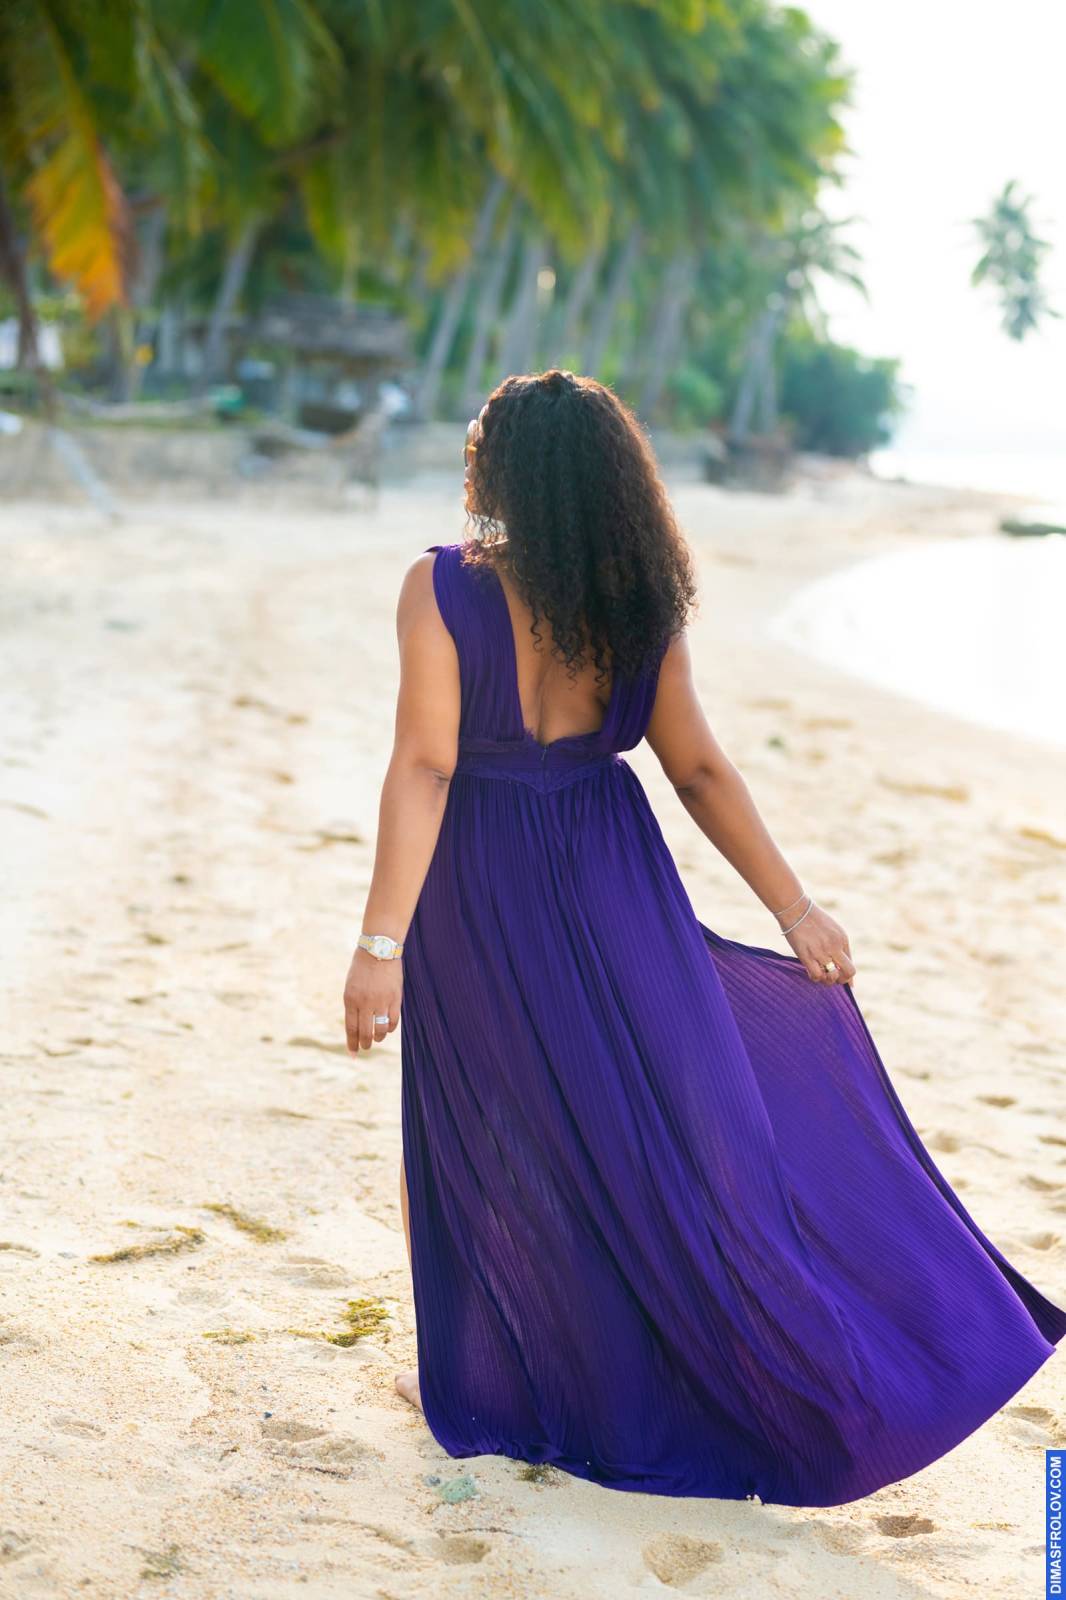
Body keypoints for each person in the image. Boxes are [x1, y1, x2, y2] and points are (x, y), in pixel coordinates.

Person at [342, 369, 1065, 1507]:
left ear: (510, 474)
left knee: (488, 1119)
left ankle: (502, 1376)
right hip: (608, 871)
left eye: (480, 446)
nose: (469, 461)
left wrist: (380, 943)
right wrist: (795, 909)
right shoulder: (639, 603)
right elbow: (698, 770)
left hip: (478, 884)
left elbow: (429, 764)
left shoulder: (438, 587)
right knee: (651, 1123)